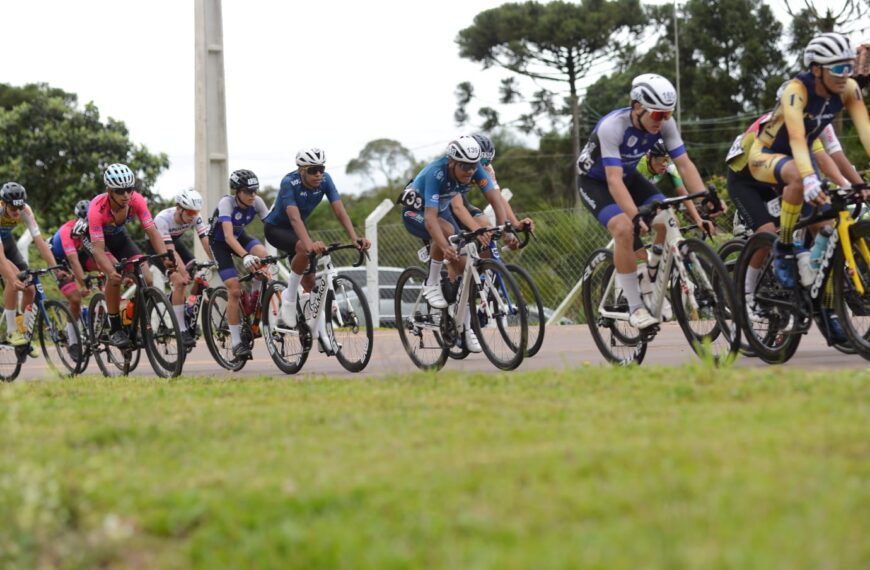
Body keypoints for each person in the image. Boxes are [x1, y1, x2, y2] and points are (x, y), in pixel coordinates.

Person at [577, 73, 715, 330]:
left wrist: (705, 199)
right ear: (637, 107)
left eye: (668, 114)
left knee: (667, 215)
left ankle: (651, 271)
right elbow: (613, 180)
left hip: (628, 176)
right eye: (657, 114)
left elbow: (684, 164)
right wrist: (634, 215)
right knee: (624, 228)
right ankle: (635, 308)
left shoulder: (664, 124)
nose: (662, 120)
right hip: (596, 182)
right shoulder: (612, 127)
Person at [748, 32, 870, 290]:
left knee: (827, 227)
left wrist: (858, 184)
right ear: (816, 69)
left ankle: (819, 294)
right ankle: (784, 246)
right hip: (766, 155)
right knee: (798, 176)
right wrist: (810, 178)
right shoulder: (797, 91)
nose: (845, 75)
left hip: (801, 156)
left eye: (848, 67)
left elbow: (866, 133)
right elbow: (796, 137)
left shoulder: (848, 88)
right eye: (838, 68)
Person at [398, 135, 507, 352]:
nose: (470, 171)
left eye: (473, 166)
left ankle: (464, 327)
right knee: (446, 233)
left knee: (465, 267)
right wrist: (444, 246)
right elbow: (430, 220)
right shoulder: (435, 173)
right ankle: (431, 282)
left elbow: (495, 199)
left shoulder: (474, 168)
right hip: (416, 213)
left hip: (441, 212)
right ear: (452, 162)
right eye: (465, 166)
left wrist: (503, 228)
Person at [263, 148, 370, 354]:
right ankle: (289, 298)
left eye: (321, 168)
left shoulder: (326, 180)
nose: (319, 174)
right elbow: (294, 218)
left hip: (299, 230)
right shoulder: (289, 182)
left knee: (311, 284)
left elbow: (339, 211)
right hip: (277, 229)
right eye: (313, 170)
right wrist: (309, 244)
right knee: (304, 248)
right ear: (301, 170)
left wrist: (354, 237)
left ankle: (322, 336)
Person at [88, 163, 174, 348]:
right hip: (101, 244)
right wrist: (110, 271)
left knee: (147, 279)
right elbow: (98, 250)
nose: (126, 195)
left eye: (129, 189)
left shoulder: (137, 200)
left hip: (121, 239)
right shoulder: (96, 208)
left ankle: (132, 321)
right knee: (114, 278)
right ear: (109, 191)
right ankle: (115, 328)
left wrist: (165, 257)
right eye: (120, 191)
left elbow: (152, 231)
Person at [208, 169, 271, 359]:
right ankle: (236, 343)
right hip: (219, 243)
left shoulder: (257, 202)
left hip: (239, 236)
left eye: (255, 191)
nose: (253, 195)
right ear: (237, 191)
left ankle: (254, 297)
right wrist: (245, 256)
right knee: (234, 290)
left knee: (263, 256)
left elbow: (272, 227)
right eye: (248, 191)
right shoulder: (226, 203)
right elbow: (228, 236)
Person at [0, 182, 69, 349]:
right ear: (4, 204)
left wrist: (56, 268)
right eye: (13, 208)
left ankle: (22, 332)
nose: (17, 212)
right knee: (14, 279)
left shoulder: (26, 210)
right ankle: (11, 332)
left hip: (7, 242)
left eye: (20, 207)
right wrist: (12, 279)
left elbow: (40, 243)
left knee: (30, 288)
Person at [147, 189, 213, 348]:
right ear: (179, 209)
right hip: (157, 247)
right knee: (180, 281)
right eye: (189, 212)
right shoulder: (163, 219)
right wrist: (181, 272)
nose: (193, 215)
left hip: (175, 242)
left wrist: (216, 259)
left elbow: (205, 241)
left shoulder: (195, 217)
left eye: (195, 212)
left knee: (197, 274)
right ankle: (181, 329)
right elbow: (170, 251)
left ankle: (187, 309)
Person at [50, 200, 99, 360]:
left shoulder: (93, 230)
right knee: (75, 299)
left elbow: (98, 255)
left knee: (104, 271)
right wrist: (83, 283)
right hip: (59, 260)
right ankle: (73, 342)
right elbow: (73, 260)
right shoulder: (67, 231)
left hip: (78, 255)